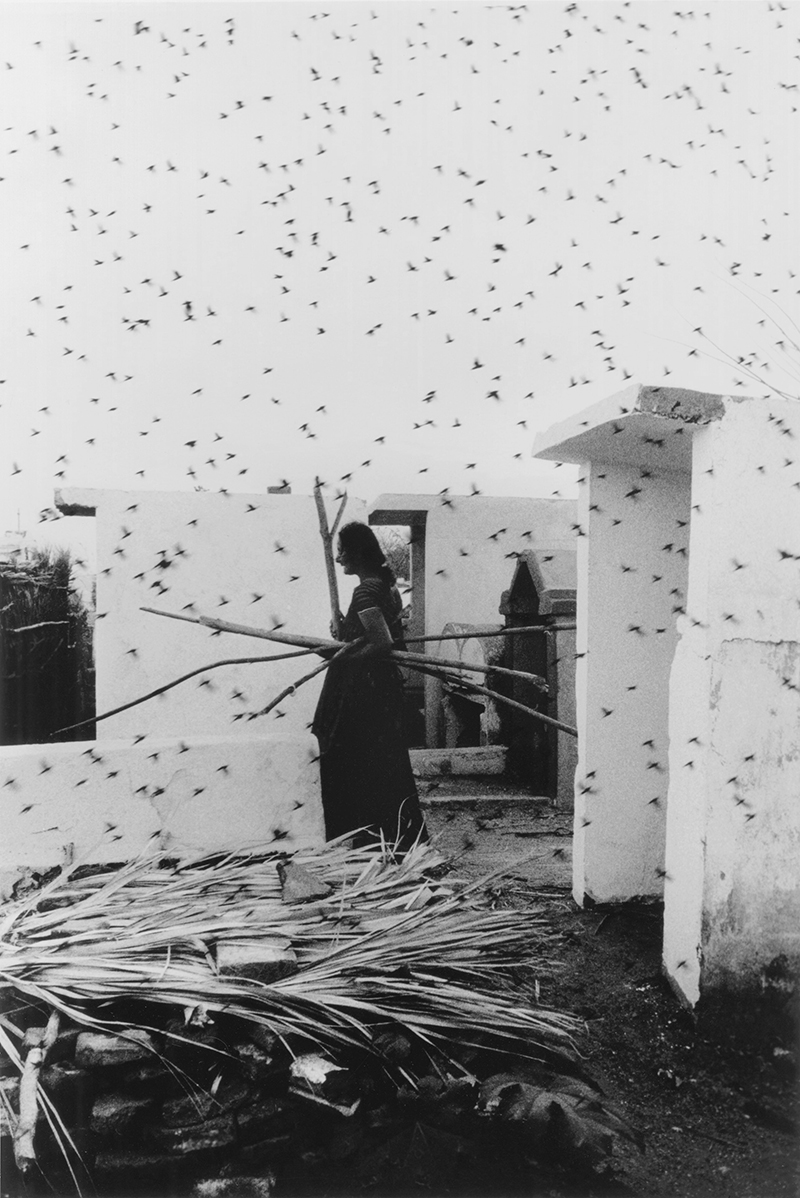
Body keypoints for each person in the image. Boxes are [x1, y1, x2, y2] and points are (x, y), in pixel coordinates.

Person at [312, 522, 428, 852]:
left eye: (342, 551)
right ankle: (389, 839)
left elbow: (381, 642)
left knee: (346, 758)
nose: (338, 559)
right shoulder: (385, 588)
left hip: (361, 691)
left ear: (358, 552)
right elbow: (365, 637)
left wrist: (340, 655)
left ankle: (361, 839)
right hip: (380, 689)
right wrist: (342, 632)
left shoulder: (365, 591)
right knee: (381, 762)